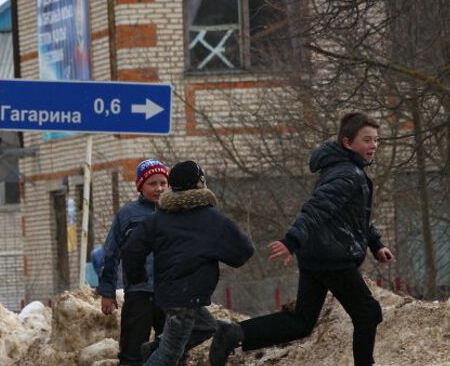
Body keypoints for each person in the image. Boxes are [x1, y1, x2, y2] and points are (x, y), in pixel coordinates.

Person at [209, 112, 395, 366]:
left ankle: (234, 333)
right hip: (332, 258)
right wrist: (291, 241)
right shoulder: (348, 174)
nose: (373, 146)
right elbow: (315, 209)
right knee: (368, 313)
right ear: (347, 143)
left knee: (301, 323)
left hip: (318, 255)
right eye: (367, 140)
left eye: (376, 140)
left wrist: (376, 244)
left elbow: (354, 217)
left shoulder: (345, 170)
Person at [122, 160, 255, 366]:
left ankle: (155, 348)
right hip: (187, 295)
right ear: (200, 183)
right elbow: (243, 252)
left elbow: (132, 249)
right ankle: (158, 351)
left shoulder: (160, 217)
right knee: (169, 355)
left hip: (167, 293)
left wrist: (137, 276)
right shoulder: (211, 218)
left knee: (205, 326)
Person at [96, 158, 169, 366]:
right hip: (139, 292)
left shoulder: (176, 213)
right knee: (132, 350)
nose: (159, 188)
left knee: (174, 350)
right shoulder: (128, 215)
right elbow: (110, 254)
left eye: (163, 183)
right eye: (152, 184)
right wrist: (107, 292)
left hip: (171, 293)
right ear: (140, 186)